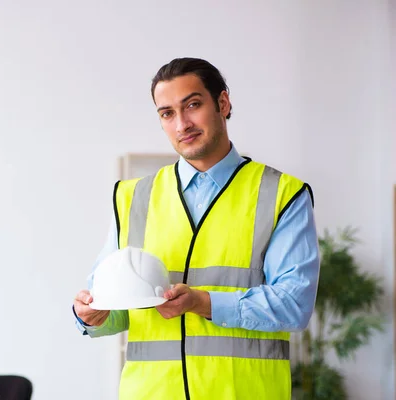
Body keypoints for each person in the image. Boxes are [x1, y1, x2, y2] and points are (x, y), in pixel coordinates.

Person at [72, 57, 320, 400]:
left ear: (223, 103)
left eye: (193, 105)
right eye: (167, 113)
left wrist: (203, 302)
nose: (181, 124)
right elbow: (113, 309)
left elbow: (294, 304)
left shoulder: (281, 194)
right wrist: (91, 315)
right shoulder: (133, 198)